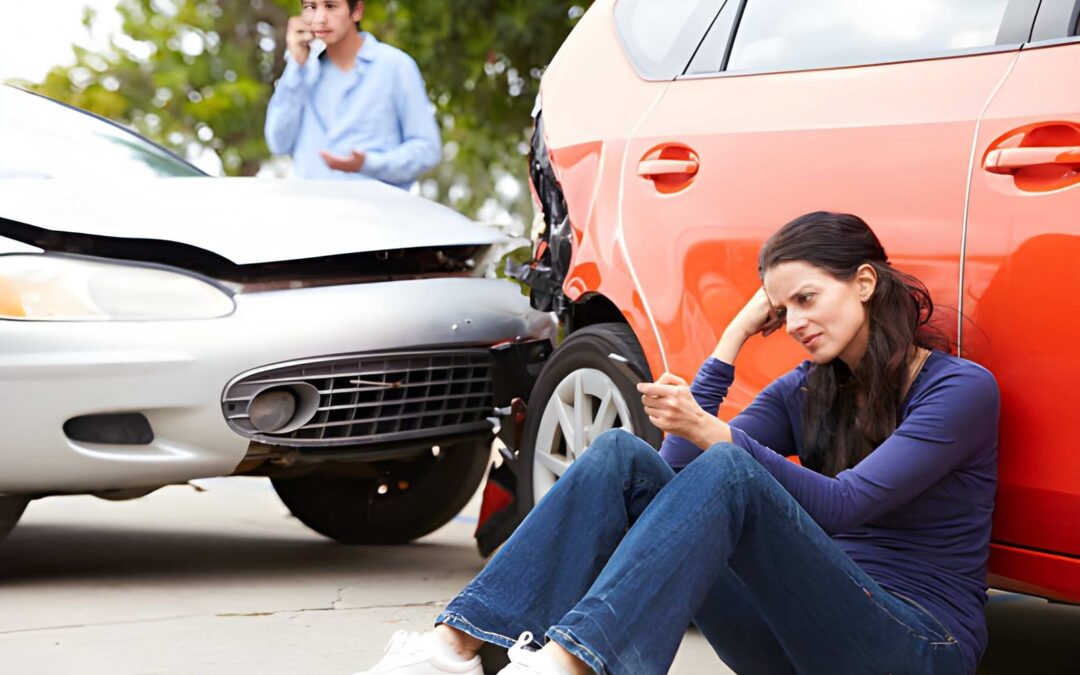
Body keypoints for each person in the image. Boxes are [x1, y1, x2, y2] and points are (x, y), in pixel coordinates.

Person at [354, 212, 999, 675]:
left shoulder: (958, 389)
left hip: (913, 644)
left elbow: (845, 506)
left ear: (863, 282)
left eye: (808, 298)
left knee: (732, 467)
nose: (796, 323)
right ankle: (452, 650)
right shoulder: (807, 388)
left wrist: (714, 432)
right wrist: (734, 336)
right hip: (790, 642)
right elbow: (667, 489)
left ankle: (571, 666)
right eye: (782, 309)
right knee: (619, 457)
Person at [264, 0, 441, 189]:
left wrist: (368, 163)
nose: (320, 18)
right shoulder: (302, 74)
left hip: (377, 213)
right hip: (313, 212)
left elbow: (427, 150)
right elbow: (278, 143)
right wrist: (296, 65)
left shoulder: (395, 66)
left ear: (356, 11)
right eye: (311, 7)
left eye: (330, 6)